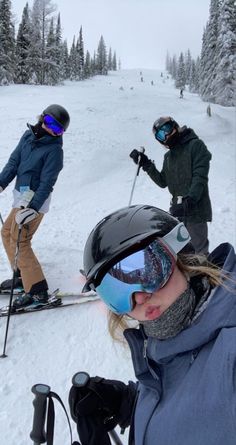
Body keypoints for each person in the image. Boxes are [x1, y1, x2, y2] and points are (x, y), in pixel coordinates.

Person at [69, 204, 236, 445]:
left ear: (181, 258)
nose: (138, 297)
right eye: (116, 292)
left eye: (148, 273)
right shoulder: (167, 342)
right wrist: (128, 402)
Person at [0, 104, 70, 309]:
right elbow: (13, 163)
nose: (50, 130)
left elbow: (47, 183)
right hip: (21, 197)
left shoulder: (55, 151)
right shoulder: (27, 136)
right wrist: (1, 183)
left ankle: (37, 291)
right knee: (6, 233)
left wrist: (32, 208)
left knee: (21, 239)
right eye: (49, 123)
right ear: (42, 118)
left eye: (57, 129)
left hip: (36, 202)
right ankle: (23, 276)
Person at [129, 116, 212, 255]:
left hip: (195, 211)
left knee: (199, 252)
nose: (166, 135)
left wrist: (190, 200)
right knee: (179, 252)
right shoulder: (168, 157)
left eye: (166, 129)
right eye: (161, 135)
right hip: (177, 212)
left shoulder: (195, 145)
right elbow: (162, 181)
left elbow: (200, 176)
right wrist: (146, 164)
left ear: (175, 125)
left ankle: (204, 276)